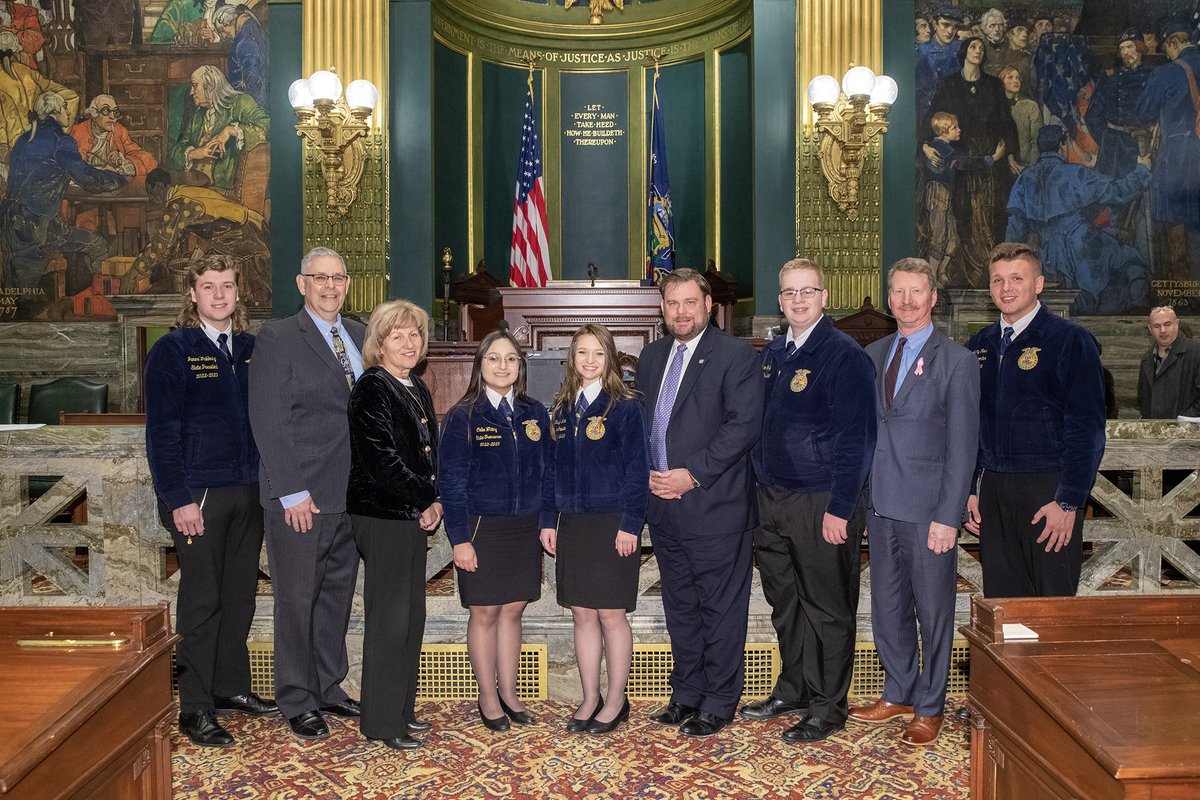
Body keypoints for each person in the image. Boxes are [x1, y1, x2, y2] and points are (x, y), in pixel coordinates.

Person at [144, 254, 277, 748]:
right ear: (192, 295)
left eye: (227, 286)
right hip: (196, 495)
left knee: (239, 596)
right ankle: (195, 706)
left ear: (239, 294)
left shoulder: (250, 348)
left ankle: (229, 688)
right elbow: (161, 433)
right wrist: (177, 499)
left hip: (249, 491)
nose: (219, 295)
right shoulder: (173, 350)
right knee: (201, 601)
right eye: (209, 286)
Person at [740, 258, 875, 744]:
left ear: (824, 296)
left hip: (821, 501)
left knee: (827, 606)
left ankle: (828, 705)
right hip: (771, 499)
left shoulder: (843, 356)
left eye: (807, 291)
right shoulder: (774, 353)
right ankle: (794, 687)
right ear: (780, 300)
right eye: (789, 292)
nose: (798, 300)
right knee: (786, 603)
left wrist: (841, 506)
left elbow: (856, 440)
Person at [847, 257, 978, 748]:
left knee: (934, 613)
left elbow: (963, 448)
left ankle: (930, 705)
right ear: (889, 297)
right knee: (888, 609)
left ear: (933, 297)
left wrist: (949, 517)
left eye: (915, 292)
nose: (906, 301)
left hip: (929, 515)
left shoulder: (958, 362)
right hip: (880, 509)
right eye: (898, 292)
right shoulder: (874, 353)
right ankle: (898, 691)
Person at [636, 268, 763, 739]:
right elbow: (648, 422)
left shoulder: (735, 356)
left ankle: (719, 699)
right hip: (664, 508)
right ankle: (687, 692)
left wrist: (691, 475)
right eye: (673, 304)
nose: (681, 312)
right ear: (663, 309)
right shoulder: (651, 356)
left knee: (720, 609)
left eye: (690, 302)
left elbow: (742, 427)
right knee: (681, 607)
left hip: (715, 505)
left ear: (708, 305)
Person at [248, 247, 365, 741]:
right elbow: (269, 419)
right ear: (301, 284)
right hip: (301, 497)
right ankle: (296, 697)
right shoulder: (278, 337)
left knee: (336, 596)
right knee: (297, 598)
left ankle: (328, 686)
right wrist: (290, 491)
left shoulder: (360, 335)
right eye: (320, 278)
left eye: (338, 277)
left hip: (350, 493)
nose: (330, 286)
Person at [965, 242, 1107, 598]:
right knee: (1003, 606)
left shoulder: (1070, 341)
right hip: (994, 492)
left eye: (1017, 278)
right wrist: (968, 489)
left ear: (1039, 284)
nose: (1006, 288)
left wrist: (1069, 501)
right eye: (998, 280)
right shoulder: (977, 345)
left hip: (1048, 491)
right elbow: (970, 425)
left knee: (1051, 606)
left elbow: (1086, 429)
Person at [539, 324, 649, 736]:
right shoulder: (562, 408)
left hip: (612, 524)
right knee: (582, 615)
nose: (589, 361)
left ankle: (617, 699)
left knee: (611, 615)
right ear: (571, 359)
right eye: (581, 353)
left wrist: (630, 524)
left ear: (610, 358)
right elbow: (551, 471)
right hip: (573, 525)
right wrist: (548, 519)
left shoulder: (625, 406)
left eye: (597, 353)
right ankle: (590, 697)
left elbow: (638, 471)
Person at [438, 330, 548, 733]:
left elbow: (546, 471)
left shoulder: (535, 412)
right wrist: (460, 538)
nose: (503, 366)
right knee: (484, 613)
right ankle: (488, 695)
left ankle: (510, 693)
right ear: (480, 365)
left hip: (523, 527)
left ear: (521, 367)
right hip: (481, 529)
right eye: (494, 359)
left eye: (511, 359)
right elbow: (451, 481)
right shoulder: (463, 415)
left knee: (514, 611)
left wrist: (545, 520)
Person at [347, 300, 442, 751]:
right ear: (379, 343)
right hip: (381, 516)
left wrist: (431, 499)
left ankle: (402, 710)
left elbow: (427, 454)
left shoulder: (416, 387)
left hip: (410, 515)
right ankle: (382, 722)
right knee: (388, 620)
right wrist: (425, 497)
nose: (409, 343)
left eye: (415, 335)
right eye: (398, 335)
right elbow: (382, 459)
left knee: (411, 618)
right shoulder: (372, 388)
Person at [1006, 124, 1152, 315]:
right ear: (1063, 145)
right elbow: (1119, 192)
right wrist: (1142, 168)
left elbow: (1015, 229)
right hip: (1083, 245)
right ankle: (1139, 312)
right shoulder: (1075, 174)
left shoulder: (1024, 179)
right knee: (1131, 259)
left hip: (1047, 256)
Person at [0, 91, 125, 313]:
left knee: (15, 301)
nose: (69, 113)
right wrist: (118, 178)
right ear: (55, 113)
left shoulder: (23, 139)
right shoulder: (61, 142)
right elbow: (91, 180)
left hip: (9, 225)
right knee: (97, 246)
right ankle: (102, 307)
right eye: (65, 109)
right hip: (38, 230)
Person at [925, 36, 1018, 287]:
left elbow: (1005, 122)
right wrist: (924, 144)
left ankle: (988, 268)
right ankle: (957, 272)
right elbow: (931, 119)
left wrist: (1009, 155)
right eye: (973, 47)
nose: (978, 51)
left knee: (986, 211)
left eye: (981, 48)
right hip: (961, 159)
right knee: (962, 212)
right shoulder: (949, 84)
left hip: (989, 158)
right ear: (964, 51)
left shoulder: (992, 86)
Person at [120, 168, 271, 306]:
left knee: (269, 284)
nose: (150, 198)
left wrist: (132, 273)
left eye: (150, 192)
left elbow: (162, 244)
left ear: (159, 187)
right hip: (250, 225)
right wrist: (193, 258)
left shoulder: (178, 205)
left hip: (249, 231)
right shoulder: (184, 193)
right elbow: (207, 230)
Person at [1134, 22, 1200, 280]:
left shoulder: (1169, 72)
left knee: (1177, 218)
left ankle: (1184, 288)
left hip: (1180, 154)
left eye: (1167, 49)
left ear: (1173, 43)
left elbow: (1143, 111)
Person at [921, 111, 1005, 287]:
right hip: (939, 194)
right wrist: (994, 158)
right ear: (943, 130)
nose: (959, 130)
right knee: (939, 236)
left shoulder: (940, 147)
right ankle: (931, 279)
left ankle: (941, 272)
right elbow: (966, 162)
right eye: (954, 127)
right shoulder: (943, 149)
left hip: (946, 194)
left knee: (951, 237)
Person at [166, 65, 269, 190]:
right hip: (194, 186)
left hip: (222, 190)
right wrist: (194, 153)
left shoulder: (240, 103)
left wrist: (230, 130)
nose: (191, 92)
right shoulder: (198, 116)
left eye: (194, 85)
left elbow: (267, 125)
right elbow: (172, 154)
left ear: (210, 87)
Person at [1086, 29, 1153, 182]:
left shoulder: (1152, 75)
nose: (1125, 52)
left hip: (1139, 145)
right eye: (1122, 48)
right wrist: (1105, 138)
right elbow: (1093, 114)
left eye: (1129, 46)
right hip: (1112, 146)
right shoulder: (1110, 77)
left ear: (1140, 47)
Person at [1139, 305, 1200, 418]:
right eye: (1157, 326)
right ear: (1150, 329)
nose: (1162, 330)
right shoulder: (1147, 358)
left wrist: (1185, 419)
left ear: (1177, 324)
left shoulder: (1196, 352)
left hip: (1187, 431)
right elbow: (1143, 397)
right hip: (1154, 430)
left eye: (1167, 324)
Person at [916, 4, 965, 124]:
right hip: (933, 115)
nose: (950, 31)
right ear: (934, 24)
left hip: (961, 113)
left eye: (955, 27)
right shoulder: (922, 51)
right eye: (946, 25)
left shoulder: (962, 48)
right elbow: (921, 93)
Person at [213, 3, 268, 106]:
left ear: (229, 21)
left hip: (252, 104)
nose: (223, 36)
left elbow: (252, 83)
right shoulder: (252, 28)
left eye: (221, 30)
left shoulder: (244, 42)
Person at [999, 67, 1039, 170]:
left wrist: (1029, 166)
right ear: (1002, 82)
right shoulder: (996, 107)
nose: (1015, 81)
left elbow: (1036, 140)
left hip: (1026, 163)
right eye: (1010, 77)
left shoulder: (1031, 106)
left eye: (1018, 78)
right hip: (1002, 163)